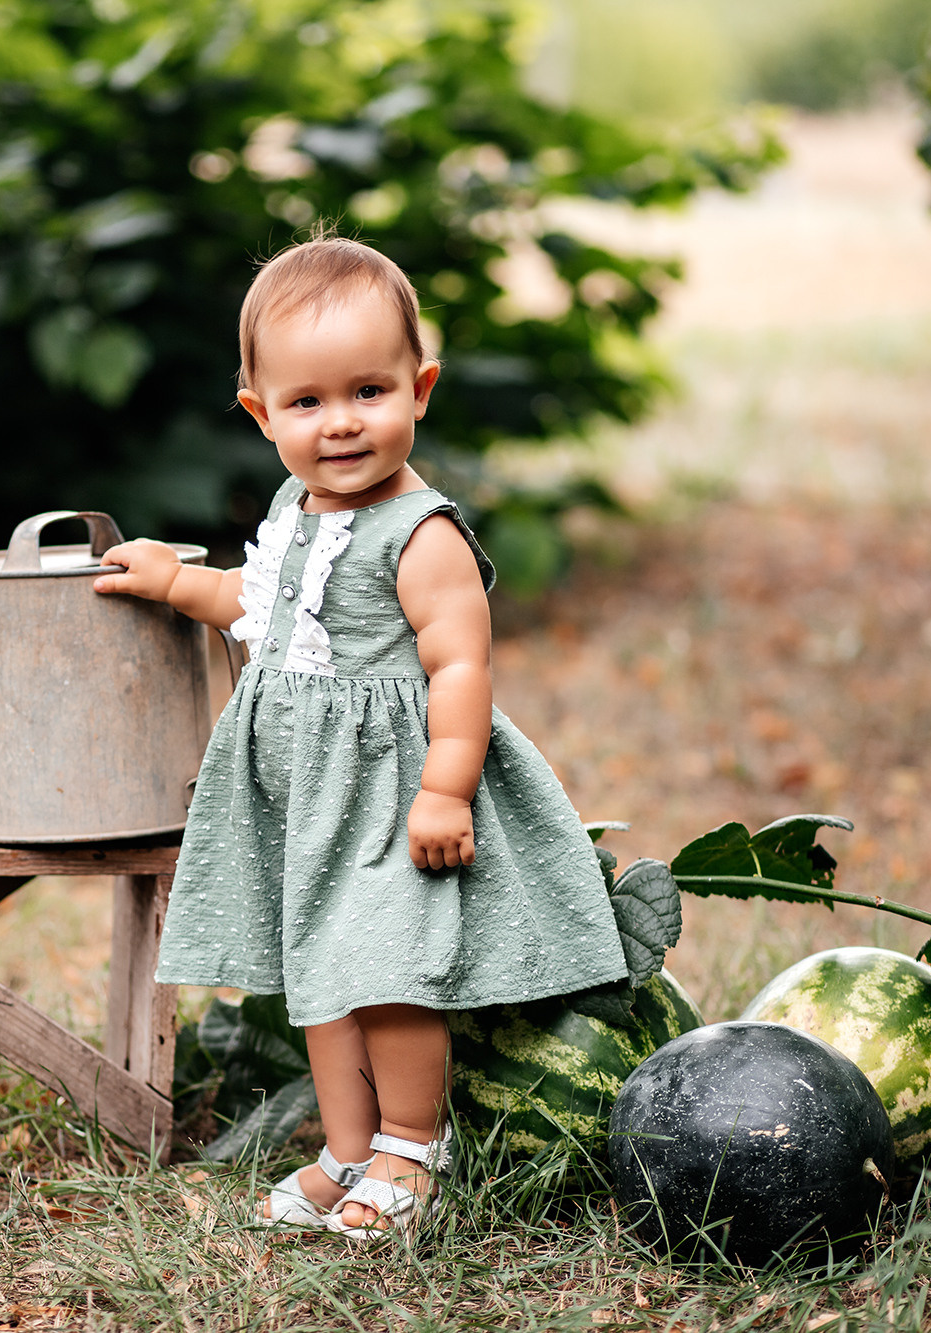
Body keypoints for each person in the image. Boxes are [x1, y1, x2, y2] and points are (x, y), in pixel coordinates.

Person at [92, 235, 627, 1239]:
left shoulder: (421, 535)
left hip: (389, 789)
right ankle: (345, 1148)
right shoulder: (296, 507)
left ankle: (411, 1149)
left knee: (385, 973)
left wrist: (443, 790)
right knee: (319, 978)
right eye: (306, 402)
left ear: (418, 389)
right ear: (261, 414)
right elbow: (260, 608)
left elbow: (460, 668)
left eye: (369, 391)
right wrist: (174, 582)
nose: (339, 423)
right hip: (304, 794)